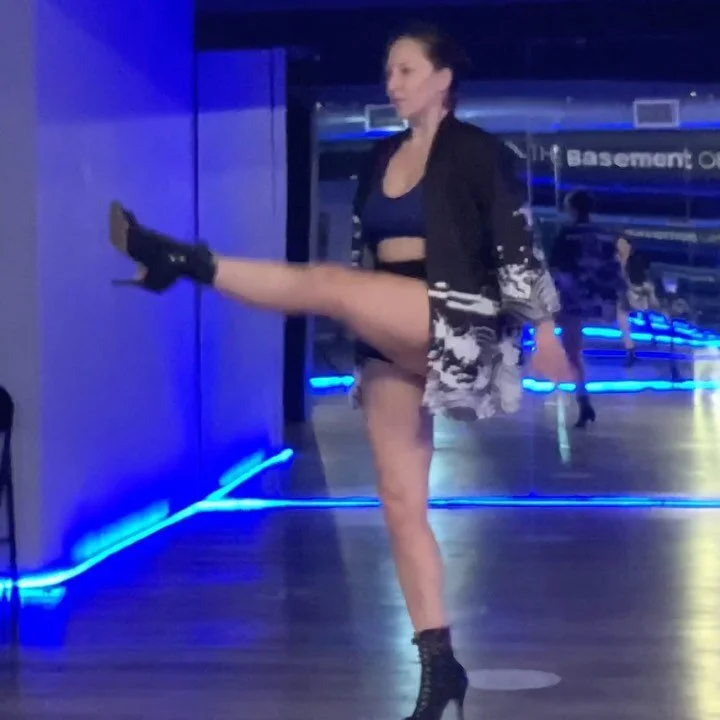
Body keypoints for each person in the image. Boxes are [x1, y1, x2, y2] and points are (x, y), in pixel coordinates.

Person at [109, 22, 572, 720]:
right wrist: (366, 334)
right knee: (399, 502)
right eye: (389, 72)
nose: (393, 83)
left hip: (456, 314)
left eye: (407, 70)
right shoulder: (379, 155)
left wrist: (545, 329)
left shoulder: (477, 152)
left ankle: (187, 261)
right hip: (388, 321)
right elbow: (368, 255)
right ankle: (441, 667)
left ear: (443, 79)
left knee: (326, 285)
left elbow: (516, 240)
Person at [549, 189, 625, 428]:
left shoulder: (566, 235)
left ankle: (583, 400)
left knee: (572, 353)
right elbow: (614, 270)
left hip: (572, 301)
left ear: (571, 209)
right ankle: (584, 402)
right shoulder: (605, 236)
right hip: (597, 301)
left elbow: (556, 270)